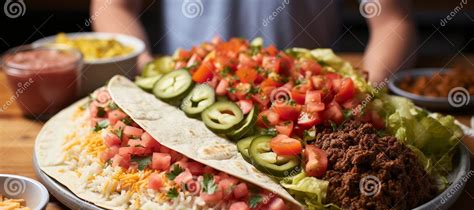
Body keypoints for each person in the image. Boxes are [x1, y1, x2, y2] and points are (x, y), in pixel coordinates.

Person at [91, 0, 417, 84]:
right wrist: (149, 74)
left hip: (309, 94)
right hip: (189, 86)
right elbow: (112, 6)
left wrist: (366, 94)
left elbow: (393, 19)